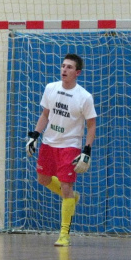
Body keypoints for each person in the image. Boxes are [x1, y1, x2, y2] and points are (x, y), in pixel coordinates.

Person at [26, 53, 97, 247]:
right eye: (63, 66)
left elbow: (91, 125)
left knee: (66, 186)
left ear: (77, 72)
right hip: (49, 143)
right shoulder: (51, 88)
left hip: (70, 145)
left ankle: (64, 234)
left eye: (69, 67)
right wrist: (35, 135)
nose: (64, 70)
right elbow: (45, 114)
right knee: (43, 179)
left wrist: (87, 151)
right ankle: (72, 198)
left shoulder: (84, 97)